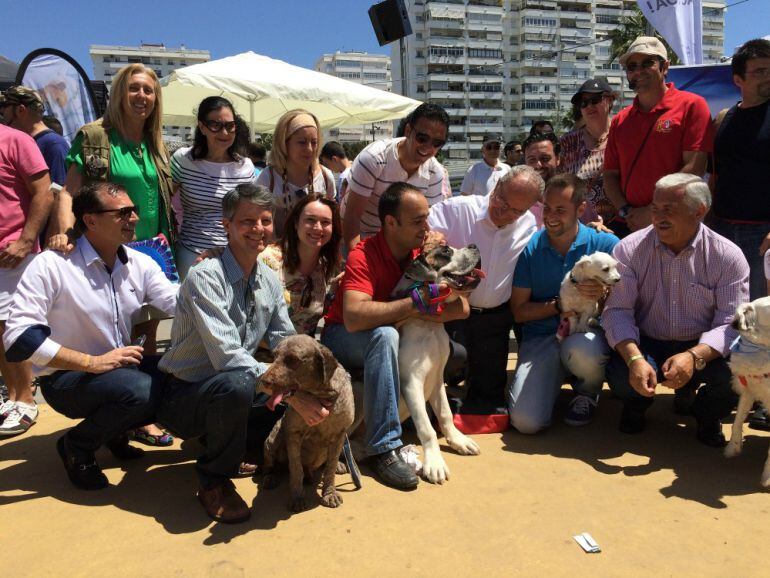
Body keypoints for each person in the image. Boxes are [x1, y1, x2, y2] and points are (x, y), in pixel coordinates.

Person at [157, 183, 328, 523]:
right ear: (227, 225)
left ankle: (232, 443)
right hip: (185, 394)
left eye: (265, 220)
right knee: (238, 383)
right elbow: (227, 356)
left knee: (277, 394)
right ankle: (213, 480)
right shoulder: (206, 276)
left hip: (231, 388)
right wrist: (294, 396)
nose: (258, 230)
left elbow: (285, 339)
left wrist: (315, 378)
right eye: (247, 221)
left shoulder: (266, 277)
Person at [2, 181, 178, 488]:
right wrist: (90, 362)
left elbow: (178, 303)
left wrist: (209, 276)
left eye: (133, 210)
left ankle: (116, 431)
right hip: (67, 380)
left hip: (121, 369)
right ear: (90, 220)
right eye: (123, 213)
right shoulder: (52, 265)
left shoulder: (140, 262)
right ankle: (77, 446)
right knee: (140, 390)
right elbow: (18, 336)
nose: (134, 218)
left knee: (178, 377)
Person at [321, 182, 469, 490]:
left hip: (389, 336)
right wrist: (414, 306)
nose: (426, 227)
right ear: (390, 222)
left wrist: (436, 301)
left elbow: (462, 308)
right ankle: (383, 447)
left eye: (426, 218)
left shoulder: (422, 253)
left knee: (451, 352)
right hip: (344, 337)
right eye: (418, 221)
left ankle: (442, 425)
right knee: (386, 336)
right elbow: (355, 316)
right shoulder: (363, 255)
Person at [602, 173, 749, 447]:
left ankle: (705, 413)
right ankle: (636, 405)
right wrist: (635, 359)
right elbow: (617, 311)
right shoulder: (629, 249)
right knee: (622, 374)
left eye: (669, 210)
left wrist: (694, 356)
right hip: (648, 341)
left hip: (702, 346)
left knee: (737, 376)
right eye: (655, 209)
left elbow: (731, 323)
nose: (658, 218)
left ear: (699, 212)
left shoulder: (727, 256)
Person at [51, 63, 176, 357]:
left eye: (149, 90)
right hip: (110, 248)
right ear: (119, 93)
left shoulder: (157, 144)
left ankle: (144, 390)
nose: (141, 95)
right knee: (115, 331)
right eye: (134, 88)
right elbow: (69, 193)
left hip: (154, 249)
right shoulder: (95, 137)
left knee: (147, 334)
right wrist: (64, 233)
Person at [429, 166, 542, 433]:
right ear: (497, 185)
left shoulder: (528, 224)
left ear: (529, 209)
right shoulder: (456, 210)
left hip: (495, 318)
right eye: (502, 200)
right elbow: (420, 237)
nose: (504, 211)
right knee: (448, 364)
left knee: (489, 396)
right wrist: (433, 242)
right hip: (451, 311)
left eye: (516, 210)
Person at [508, 174, 619, 433]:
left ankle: (587, 392)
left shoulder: (605, 243)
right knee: (526, 423)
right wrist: (559, 306)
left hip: (585, 332)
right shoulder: (531, 248)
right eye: (547, 208)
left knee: (585, 351)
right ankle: (552, 381)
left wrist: (602, 295)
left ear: (581, 209)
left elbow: (628, 301)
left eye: (560, 209)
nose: (551, 216)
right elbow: (519, 311)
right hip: (543, 337)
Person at [603, 36, 712, 237]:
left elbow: (694, 169)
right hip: (629, 223)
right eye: (632, 66)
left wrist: (653, 211)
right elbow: (610, 175)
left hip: (673, 222)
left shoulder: (692, 106)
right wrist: (626, 211)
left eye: (647, 63)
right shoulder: (620, 120)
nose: (638, 71)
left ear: (665, 67)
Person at [0, 124, 53, 436]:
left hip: (12, 253)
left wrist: (25, 240)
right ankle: (13, 395)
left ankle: (26, 399)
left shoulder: (16, 140)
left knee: (11, 326)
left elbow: (44, 192)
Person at [710, 39, 770, 302]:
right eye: (759, 72)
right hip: (721, 229)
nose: (768, 77)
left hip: (762, 236)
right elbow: (715, 175)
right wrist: (706, 221)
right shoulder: (724, 118)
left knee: (759, 313)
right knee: (726, 308)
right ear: (738, 79)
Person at [170, 96, 255, 279]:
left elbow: (250, 213)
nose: (224, 133)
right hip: (191, 255)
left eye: (230, 126)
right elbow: (164, 198)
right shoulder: (183, 160)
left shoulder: (245, 166)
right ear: (201, 127)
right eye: (216, 125)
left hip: (234, 256)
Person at [342, 103, 448, 250]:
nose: (428, 147)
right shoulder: (374, 158)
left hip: (394, 242)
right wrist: (357, 261)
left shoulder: (435, 173)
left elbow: (425, 222)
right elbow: (352, 217)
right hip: (358, 233)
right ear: (408, 130)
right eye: (422, 138)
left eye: (437, 143)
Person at [258, 193, 342, 336]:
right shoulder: (267, 259)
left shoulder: (327, 267)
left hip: (303, 353)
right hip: (264, 352)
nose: (318, 227)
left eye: (325, 222)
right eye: (310, 220)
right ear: (296, 223)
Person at [256, 109, 335, 237]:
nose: (309, 149)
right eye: (302, 142)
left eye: (314, 142)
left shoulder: (326, 176)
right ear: (284, 143)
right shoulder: (267, 178)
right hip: (277, 254)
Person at [559, 78, 616, 224]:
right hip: (582, 226)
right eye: (583, 103)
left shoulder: (623, 135)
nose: (589, 106)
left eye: (595, 99)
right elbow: (562, 186)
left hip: (622, 223)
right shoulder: (568, 142)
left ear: (610, 100)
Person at [1, 86, 69, 186]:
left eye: (4, 107)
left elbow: (58, 193)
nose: (2, 113)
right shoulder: (24, 141)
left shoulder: (54, 145)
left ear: (20, 110)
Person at [522, 132, 560, 227]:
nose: (538, 165)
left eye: (545, 158)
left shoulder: (574, 197)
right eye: (532, 159)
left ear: (558, 159)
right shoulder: (515, 201)